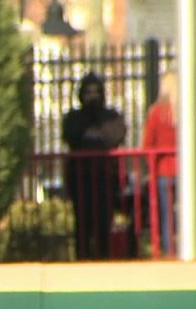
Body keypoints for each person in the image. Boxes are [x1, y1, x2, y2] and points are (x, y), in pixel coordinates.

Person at [62, 71, 128, 260]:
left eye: (96, 92)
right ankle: (82, 256)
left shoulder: (111, 115)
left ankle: (104, 256)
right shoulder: (74, 117)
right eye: (88, 92)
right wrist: (92, 129)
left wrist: (97, 125)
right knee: (82, 222)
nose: (93, 97)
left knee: (104, 220)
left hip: (104, 176)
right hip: (80, 176)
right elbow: (72, 136)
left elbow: (115, 136)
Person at [142, 71, 178, 255]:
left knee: (166, 215)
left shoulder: (156, 112)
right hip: (185, 170)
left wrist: (150, 170)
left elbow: (148, 143)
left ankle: (168, 250)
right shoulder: (189, 111)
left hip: (164, 170)